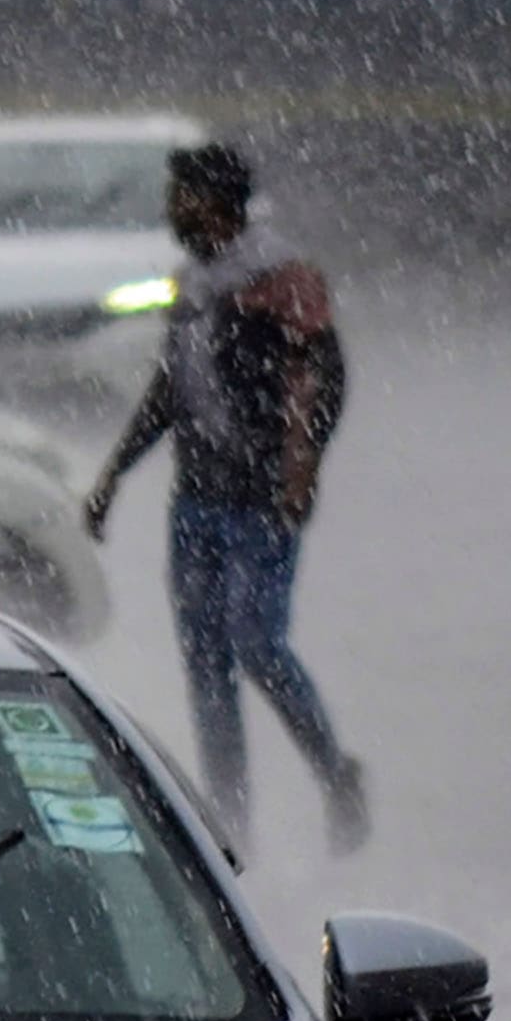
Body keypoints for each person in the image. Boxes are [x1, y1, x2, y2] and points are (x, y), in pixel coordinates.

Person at [87, 140, 362, 852]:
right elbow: (170, 391)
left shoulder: (285, 280)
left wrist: (301, 466)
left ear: (220, 203)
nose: (174, 211)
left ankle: (335, 774)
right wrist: (114, 474)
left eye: (185, 197)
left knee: (257, 642)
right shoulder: (191, 284)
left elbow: (323, 378)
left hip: (262, 500)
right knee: (205, 659)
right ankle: (229, 825)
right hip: (197, 499)